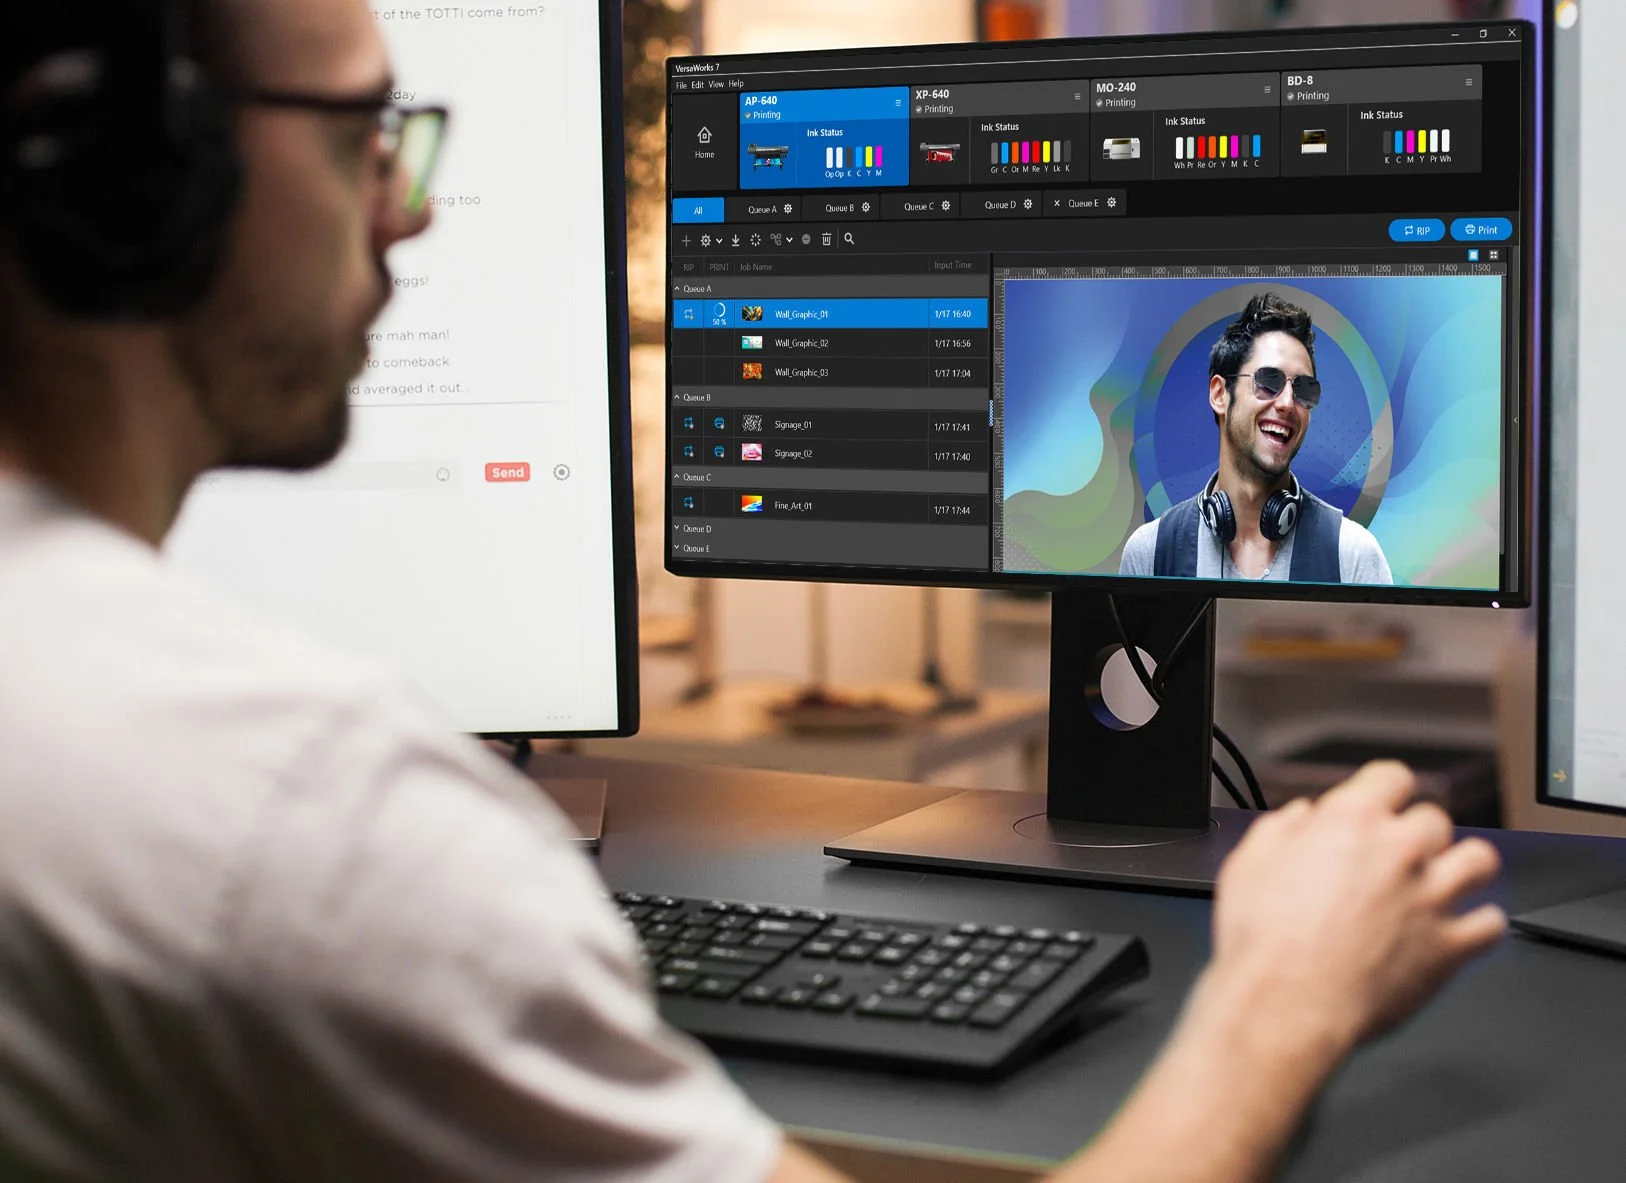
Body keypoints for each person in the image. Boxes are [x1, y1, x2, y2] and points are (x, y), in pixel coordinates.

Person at [0, 3, 1504, 1180]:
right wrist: (1278, 1002)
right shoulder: (295, 813)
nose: (407, 209)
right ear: (134, 177)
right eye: (361, 137)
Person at [1119, 293, 1395, 585]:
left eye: (1304, 390)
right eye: (1269, 381)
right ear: (1220, 394)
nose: (1287, 403)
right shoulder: (1150, 554)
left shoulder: (1352, 556)